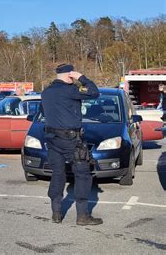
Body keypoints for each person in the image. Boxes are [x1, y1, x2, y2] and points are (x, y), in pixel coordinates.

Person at [41, 63, 103, 226]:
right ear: (70, 75)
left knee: (57, 174)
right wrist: (81, 78)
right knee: (82, 174)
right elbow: (94, 92)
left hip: (52, 139)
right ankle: (82, 216)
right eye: (73, 76)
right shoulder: (70, 90)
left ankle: (56, 213)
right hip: (71, 140)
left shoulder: (46, 92)